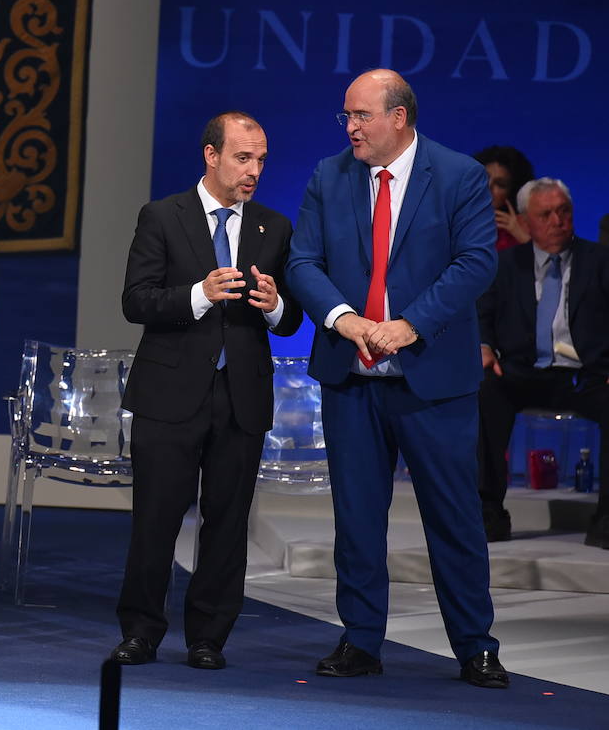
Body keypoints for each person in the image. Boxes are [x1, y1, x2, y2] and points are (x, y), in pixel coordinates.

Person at [286, 68, 508, 689]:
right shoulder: (330, 177)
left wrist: (410, 325)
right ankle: (360, 641)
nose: (350, 127)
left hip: (432, 377)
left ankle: (475, 646)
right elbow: (303, 260)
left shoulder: (459, 175)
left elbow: (476, 262)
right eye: (347, 117)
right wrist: (343, 317)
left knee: (454, 517)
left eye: (360, 116)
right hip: (351, 377)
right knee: (357, 517)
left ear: (399, 118)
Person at [109, 111, 301, 670]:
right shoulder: (162, 217)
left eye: (261, 159)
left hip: (240, 396)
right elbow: (135, 300)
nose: (254, 170)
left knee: (228, 520)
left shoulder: (273, 226)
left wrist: (276, 308)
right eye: (243, 157)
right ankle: (141, 630)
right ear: (211, 155)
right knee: (156, 519)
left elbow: (290, 320)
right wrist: (198, 293)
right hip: (169, 393)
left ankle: (208, 637)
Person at [477, 179, 609, 548]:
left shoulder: (600, 261)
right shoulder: (504, 264)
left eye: (563, 212)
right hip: (521, 371)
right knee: (483, 391)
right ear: (526, 221)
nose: (557, 221)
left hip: (588, 375)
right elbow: (480, 314)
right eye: (545, 214)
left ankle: (606, 520)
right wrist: (484, 346)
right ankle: (488, 515)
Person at [473, 145, 534, 252]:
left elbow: (551, 265)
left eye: (500, 184)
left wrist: (520, 236)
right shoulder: (454, 218)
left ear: (513, 193)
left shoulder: (525, 227)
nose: (488, 186)